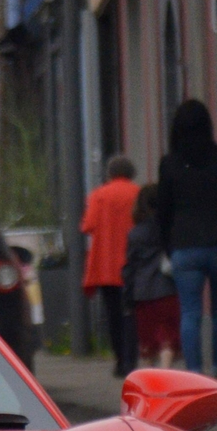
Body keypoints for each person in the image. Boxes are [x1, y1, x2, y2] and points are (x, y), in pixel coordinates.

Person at [153, 99, 217, 379]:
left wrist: (166, 246)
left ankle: (194, 376)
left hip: (185, 247)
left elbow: (163, 210)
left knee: (190, 313)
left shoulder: (170, 164)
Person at [80, 154, 142, 375]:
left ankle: (119, 361)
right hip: (133, 263)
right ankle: (131, 360)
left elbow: (87, 225)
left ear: (110, 173)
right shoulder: (138, 193)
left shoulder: (99, 195)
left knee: (113, 315)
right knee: (132, 314)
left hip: (106, 266)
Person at [120, 185, 180, 369]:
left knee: (148, 344)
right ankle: (166, 373)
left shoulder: (135, 233)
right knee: (168, 339)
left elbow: (130, 268)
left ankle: (149, 386)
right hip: (168, 289)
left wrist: (128, 297)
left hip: (143, 293)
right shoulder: (170, 229)